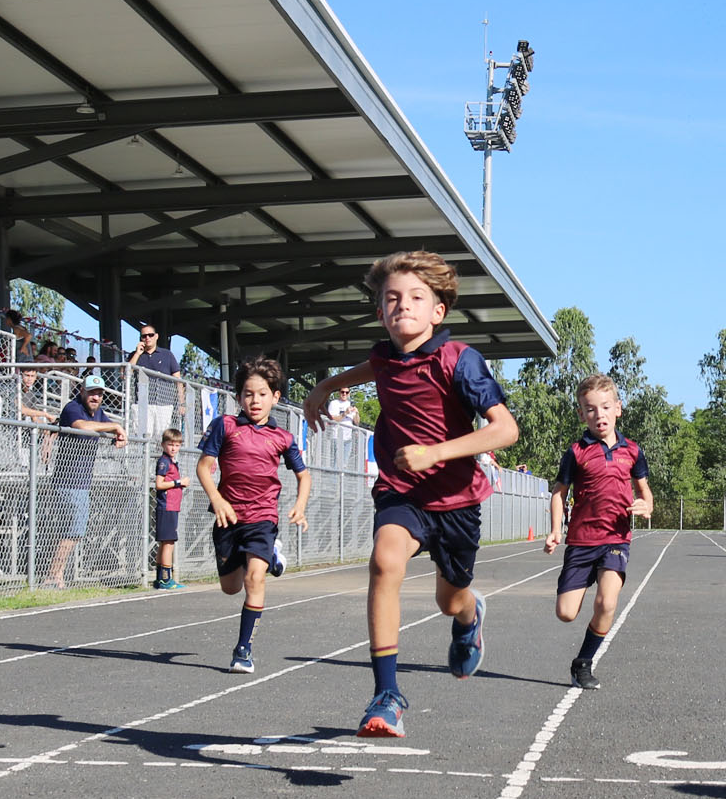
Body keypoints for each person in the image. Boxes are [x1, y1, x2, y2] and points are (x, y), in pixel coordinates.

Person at [302, 250, 518, 737]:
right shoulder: (383, 357)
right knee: (384, 561)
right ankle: (386, 694)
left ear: (437, 311)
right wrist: (324, 386)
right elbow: (368, 369)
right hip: (401, 493)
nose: (403, 305)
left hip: (456, 501)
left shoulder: (459, 359)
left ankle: (469, 618)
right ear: (380, 312)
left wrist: (435, 452)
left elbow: (505, 430)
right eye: (392, 298)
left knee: (450, 600)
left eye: (416, 297)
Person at [196, 355, 311, 674]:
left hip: (262, 518)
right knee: (230, 587)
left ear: (275, 397)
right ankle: (273, 557)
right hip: (228, 518)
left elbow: (304, 475)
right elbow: (204, 467)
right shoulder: (225, 425)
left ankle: (243, 650)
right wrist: (217, 499)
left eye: (262, 393)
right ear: (238, 397)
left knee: (254, 578)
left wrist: (300, 504)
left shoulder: (283, 437)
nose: (255, 400)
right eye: (248, 393)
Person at [543, 374, 652, 690]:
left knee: (606, 603)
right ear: (581, 414)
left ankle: (584, 663)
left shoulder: (632, 450)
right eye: (590, 409)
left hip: (615, 540)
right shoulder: (576, 452)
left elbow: (645, 492)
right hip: (580, 542)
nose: (599, 414)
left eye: (605, 407)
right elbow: (558, 493)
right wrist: (554, 530)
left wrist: (646, 505)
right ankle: (584, 579)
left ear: (618, 408)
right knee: (565, 613)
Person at [44, 374, 127, 589]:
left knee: (70, 530)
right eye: (91, 392)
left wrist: (118, 437)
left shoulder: (99, 413)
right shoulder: (73, 408)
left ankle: (56, 575)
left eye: (99, 394)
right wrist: (114, 427)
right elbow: (82, 426)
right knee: (74, 530)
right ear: (82, 391)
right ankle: (54, 575)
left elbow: (109, 431)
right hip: (68, 481)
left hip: (82, 481)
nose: (95, 397)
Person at [128, 323, 185, 440]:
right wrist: (137, 353)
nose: (147, 338)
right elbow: (125, 375)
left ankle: (159, 458)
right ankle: (142, 458)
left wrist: (182, 403)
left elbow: (178, 380)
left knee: (162, 438)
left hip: (164, 404)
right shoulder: (134, 355)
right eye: (144, 336)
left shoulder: (167, 355)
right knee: (142, 437)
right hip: (142, 403)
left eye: (150, 335)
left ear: (156, 336)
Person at [153, 427, 188, 590]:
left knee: (167, 542)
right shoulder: (164, 462)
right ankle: (166, 579)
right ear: (163, 445)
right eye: (170, 444)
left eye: (177, 445)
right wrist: (178, 482)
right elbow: (159, 484)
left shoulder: (172, 461)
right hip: (166, 506)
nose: (173, 448)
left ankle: (160, 578)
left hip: (172, 506)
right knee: (168, 543)